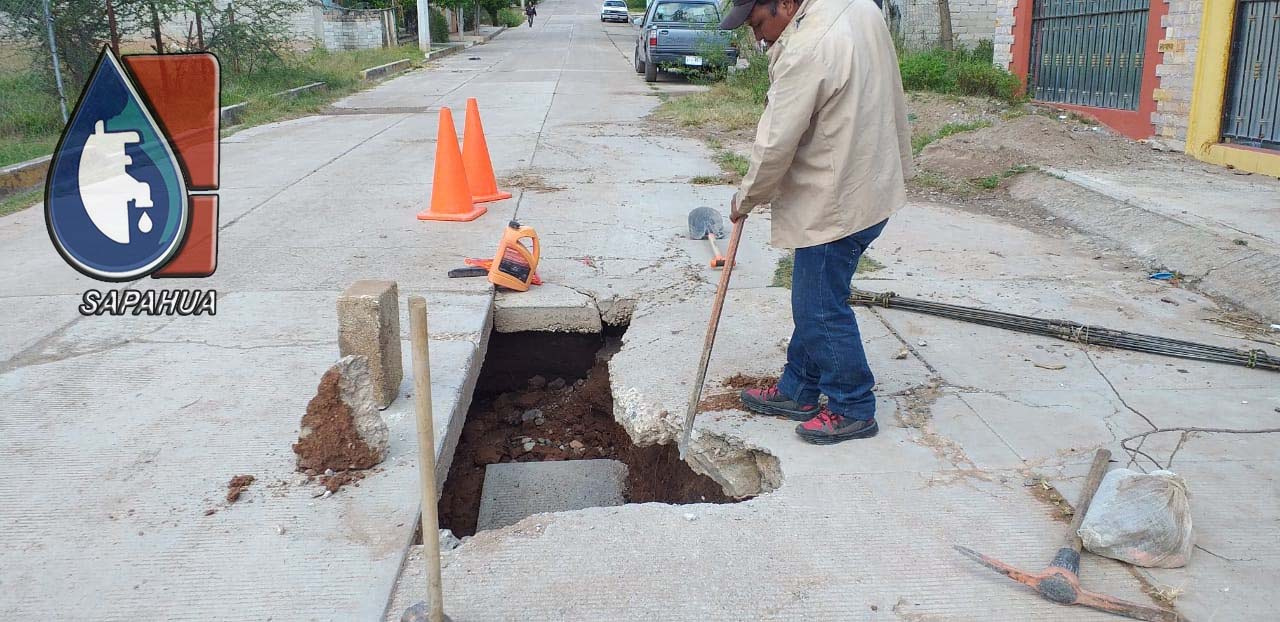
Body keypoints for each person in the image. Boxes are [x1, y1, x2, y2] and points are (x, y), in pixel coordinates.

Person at [721, 0, 912, 444]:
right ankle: (798, 389)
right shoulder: (857, 6)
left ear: (785, 4)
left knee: (819, 306)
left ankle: (852, 406)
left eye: (758, 24)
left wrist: (744, 198)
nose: (758, 38)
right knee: (817, 296)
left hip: (838, 198)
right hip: (872, 179)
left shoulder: (807, 47)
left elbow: (774, 145)